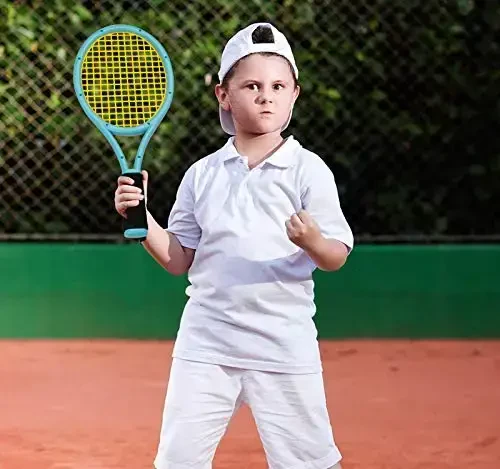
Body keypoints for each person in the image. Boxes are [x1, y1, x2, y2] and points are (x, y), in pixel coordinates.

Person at [115, 22, 353, 469]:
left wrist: (313, 241)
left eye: (278, 86)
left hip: (283, 345)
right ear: (224, 95)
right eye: (251, 86)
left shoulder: (308, 170)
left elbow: (335, 256)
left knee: (310, 462)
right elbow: (179, 259)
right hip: (206, 345)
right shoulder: (202, 174)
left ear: (294, 95)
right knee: (178, 461)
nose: (266, 96)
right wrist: (142, 219)